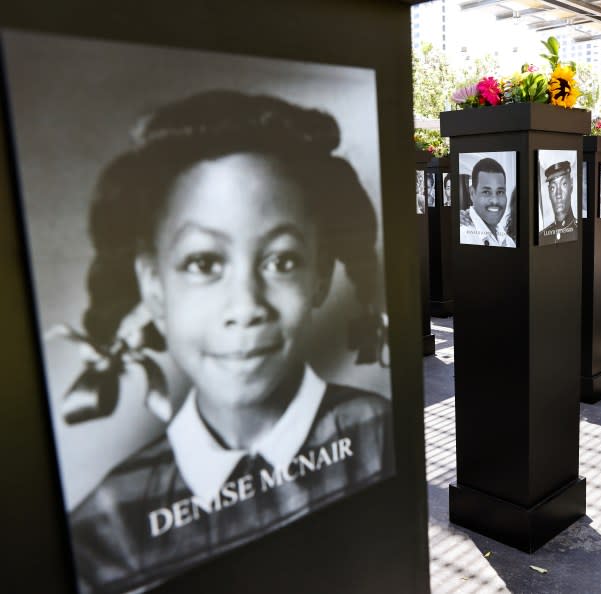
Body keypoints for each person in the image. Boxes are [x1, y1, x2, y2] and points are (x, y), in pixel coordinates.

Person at [65, 90, 393, 593]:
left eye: (281, 261)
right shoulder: (104, 528)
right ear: (154, 285)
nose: (246, 306)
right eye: (204, 263)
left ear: (320, 275)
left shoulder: (379, 435)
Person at [460, 157, 515, 247]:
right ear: (472, 193)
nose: (495, 200)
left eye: (500, 192)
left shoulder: (508, 241)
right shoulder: (463, 236)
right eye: (486, 192)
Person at [539, 160, 577, 242]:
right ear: (549, 192)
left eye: (564, 184)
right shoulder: (541, 238)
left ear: (571, 185)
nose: (558, 194)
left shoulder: (579, 231)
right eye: (553, 188)